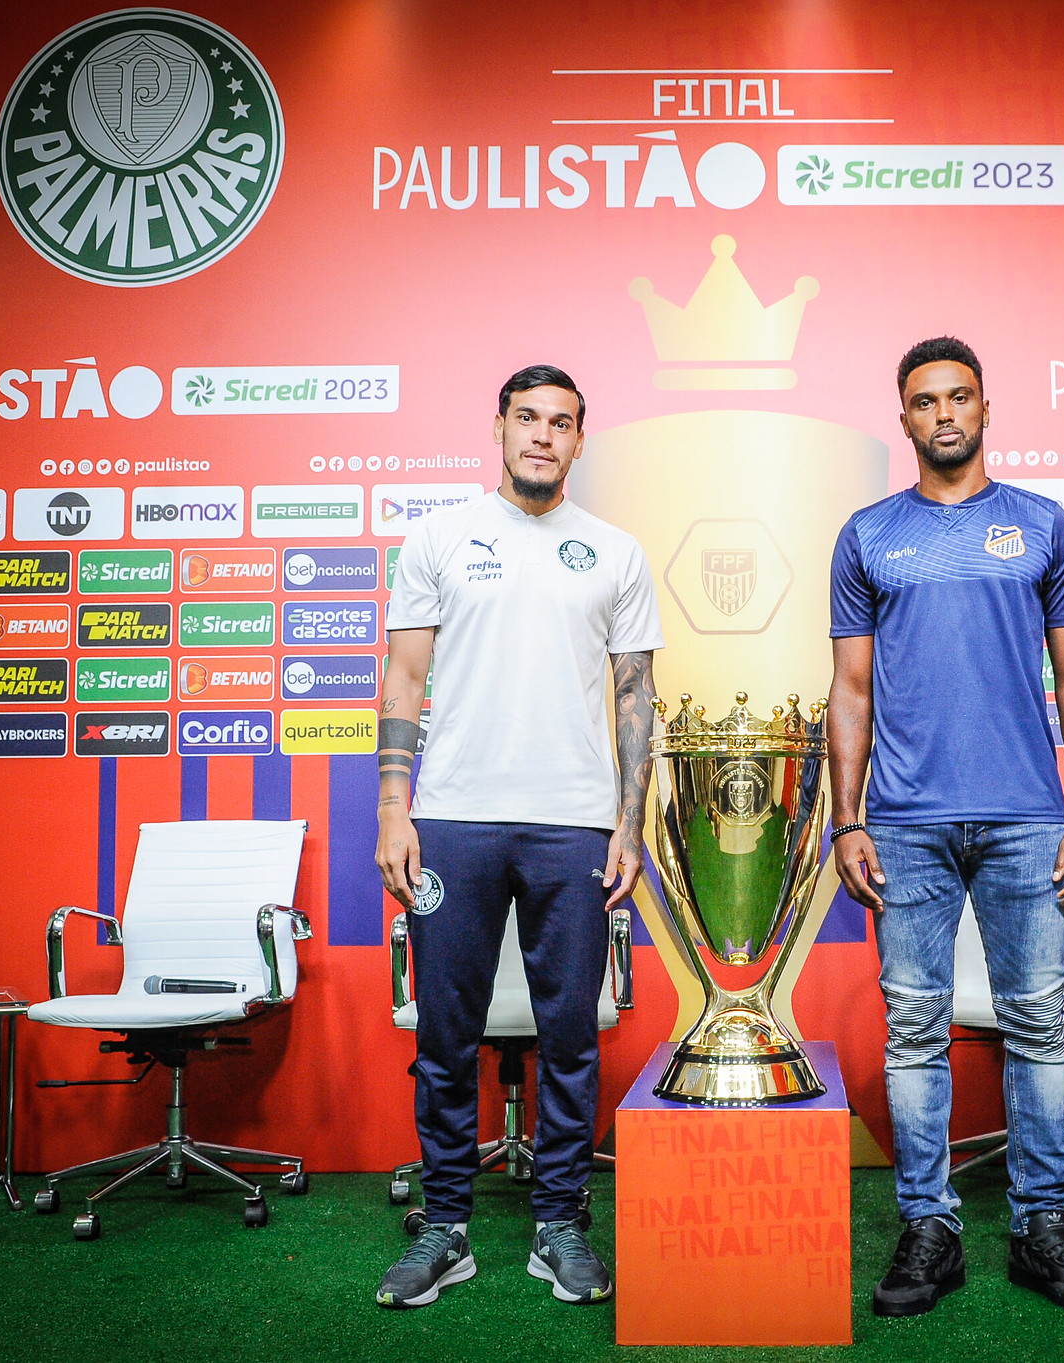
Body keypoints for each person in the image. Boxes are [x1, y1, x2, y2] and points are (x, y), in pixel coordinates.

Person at [827, 336, 1064, 1317]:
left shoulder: (1040, 526)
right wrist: (844, 818)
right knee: (912, 1030)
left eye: (958, 397)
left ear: (984, 408)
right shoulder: (868, 534)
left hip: (1025, 818)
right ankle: (930, 1225)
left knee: (1037, 1024)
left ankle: (1040, 1223)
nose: (943, 414)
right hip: (903, 824)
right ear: (901, 417)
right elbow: (849, 688)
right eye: (924, 401)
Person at [372, 364, 662, 1309]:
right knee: (448, 1034)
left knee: (569, 1035)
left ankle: (559, 1223)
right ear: (498, 427)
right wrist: (392, 806)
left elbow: (633, 695)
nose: (543, 435)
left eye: (562, 422)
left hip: (574, 822)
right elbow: (405, 679)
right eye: (527, 418)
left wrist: (629, 821)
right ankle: (447, 1226)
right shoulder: (438, 539)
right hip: (453, 816)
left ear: (582, 439)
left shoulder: (614, 552)